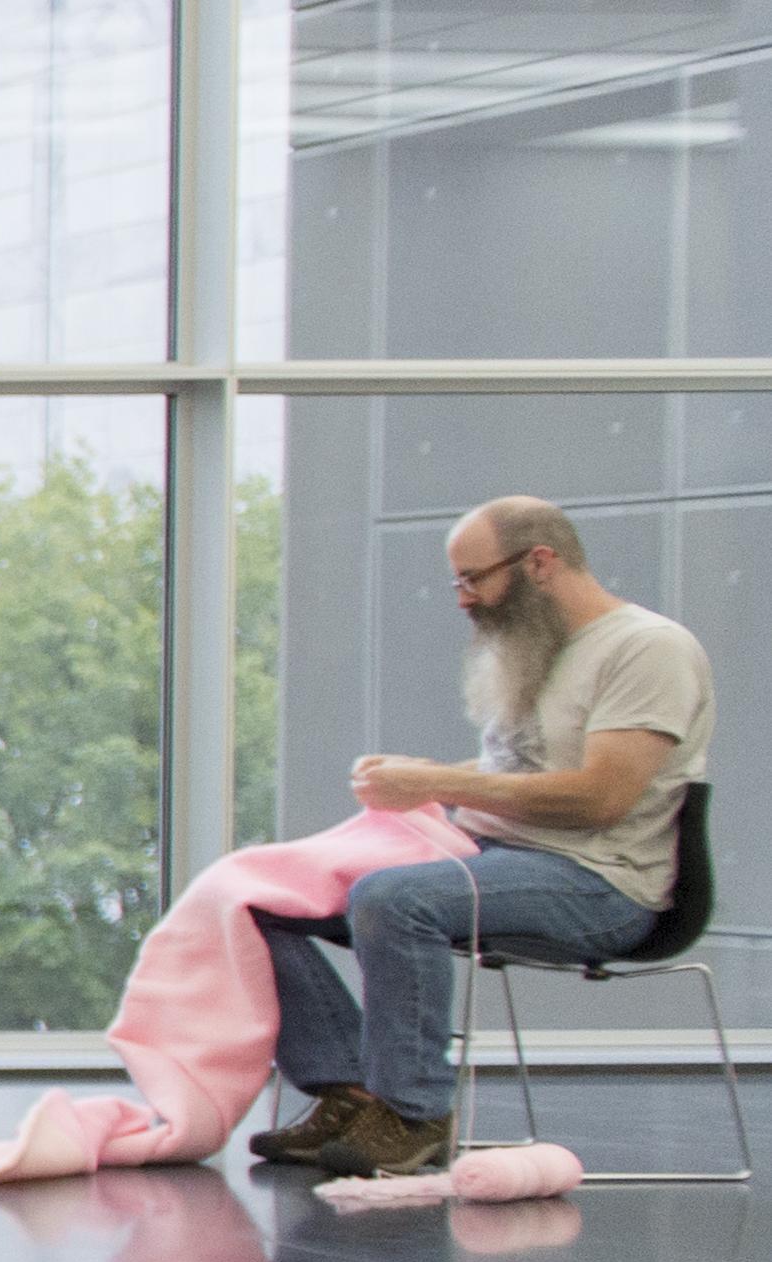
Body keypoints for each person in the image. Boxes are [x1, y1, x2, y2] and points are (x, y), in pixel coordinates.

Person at [257, 496, 717, 1180]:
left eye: (474, 578)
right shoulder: (538, 649)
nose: (464, 598)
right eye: (458, 582)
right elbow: (520, 772)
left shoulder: (648, 649)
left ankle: (411, 1114)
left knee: (395, 898)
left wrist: (438, 785)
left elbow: (601, 796)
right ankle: (349, 1094)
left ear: (539, 562)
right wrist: (426, 776)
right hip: (497, 856)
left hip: (602, 881)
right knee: (264, 893)